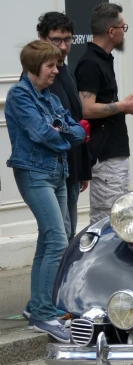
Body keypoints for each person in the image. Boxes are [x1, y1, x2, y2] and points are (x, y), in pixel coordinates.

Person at [5, 41, 86, 342]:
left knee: (51, 240)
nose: (56, 70)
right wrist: (62, 133)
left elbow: (77, 131)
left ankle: (35, 306)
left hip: (57, 171)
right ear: (33, 67)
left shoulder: (49, 97)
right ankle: (44, 313)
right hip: (34, 174)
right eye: (50, 66)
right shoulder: (19, 96)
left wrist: (59, 131)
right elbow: (40, 133)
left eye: (56, 65)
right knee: (57, 239)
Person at [75, 3, 133, 224]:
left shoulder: (103, 59)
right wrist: (122, 106)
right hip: (105, 155)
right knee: (107, 220)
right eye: (123, 27)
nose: (123, 31)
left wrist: (129, 104)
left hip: (113, 152)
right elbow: (86, 108)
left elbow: (105, 106)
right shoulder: (90, 63)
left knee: (117, 216)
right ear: (111, 31)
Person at [36, 11, 93, 240]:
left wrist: (83, 168)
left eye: (67, 39)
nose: (63, 46)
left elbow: (76, 118)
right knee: (59, 237)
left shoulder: (66, 70)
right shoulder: (39, 75)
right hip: (54, 167)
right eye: (56, 39)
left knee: (67, 234)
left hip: (73, 164)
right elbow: (46, 126)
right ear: (42, 38)